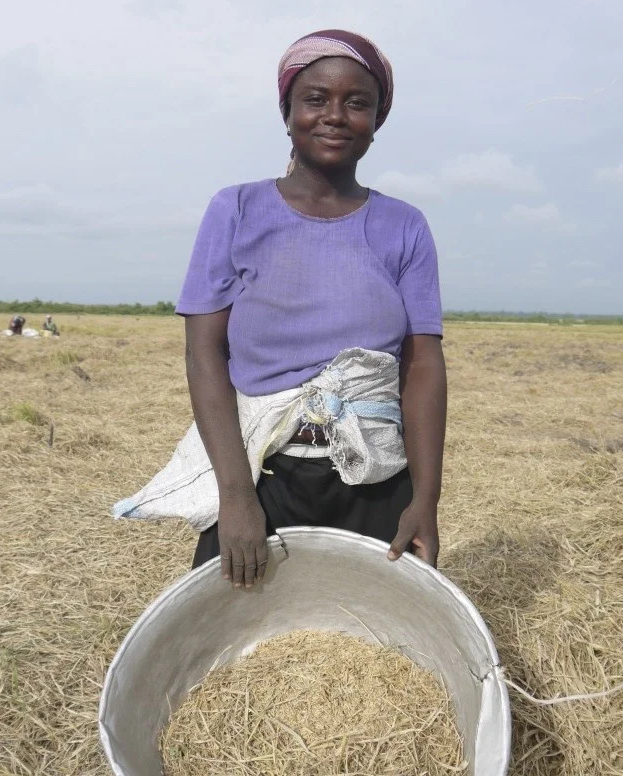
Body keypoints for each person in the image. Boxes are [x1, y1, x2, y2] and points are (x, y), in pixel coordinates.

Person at [175, 29, 446, 589]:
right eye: (316, 99)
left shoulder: (404, 226)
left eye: (357, 103)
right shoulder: (237, 209)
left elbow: (423, 366)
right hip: (262, 472)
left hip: (375, 473)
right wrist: (236, 498)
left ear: (378, 118)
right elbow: (205, 355)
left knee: (380, 638)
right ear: (288, 110)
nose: (335, 116)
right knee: (235, 637)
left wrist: (424, 500)